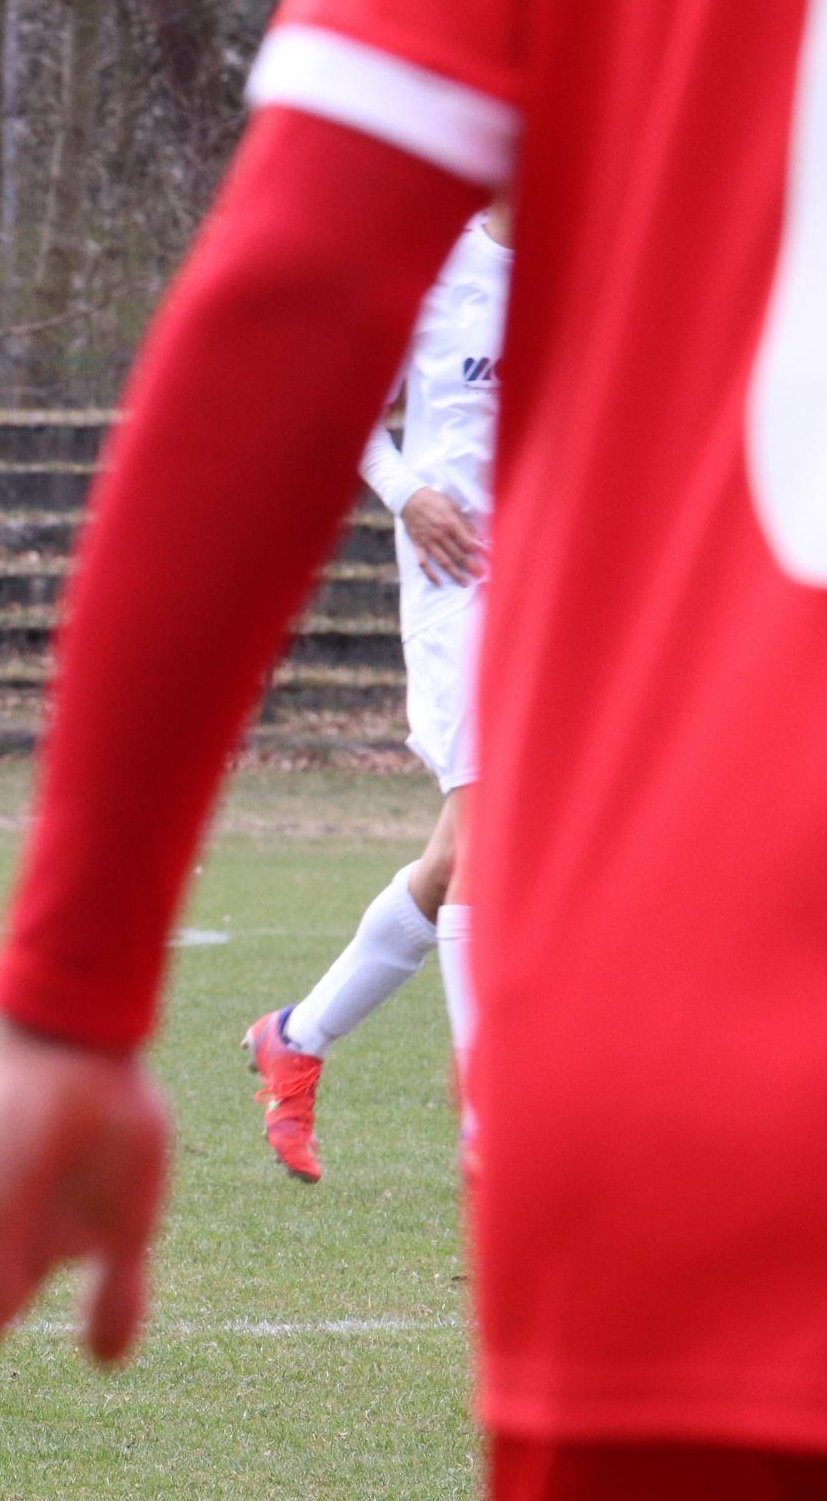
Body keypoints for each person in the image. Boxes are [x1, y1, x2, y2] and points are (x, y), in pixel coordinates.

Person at [0, 0, 827, 1495]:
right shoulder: (510, 227)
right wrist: (413, 495)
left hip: (711, 1086)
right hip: (515, 618)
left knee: (487, 845)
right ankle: (398, 1069)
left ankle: (333, 1045)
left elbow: (277, 309)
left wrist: (68, 1014)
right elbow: (342, 368)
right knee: (482, 839)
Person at [244, 205, 510, 1182]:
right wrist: (409, 494)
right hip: (457, 583)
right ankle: (491, 1121)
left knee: (455, 857)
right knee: (487, 835)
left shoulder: (594, 259)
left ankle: (294, 1036)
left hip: (556, 583)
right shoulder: (433, 263)